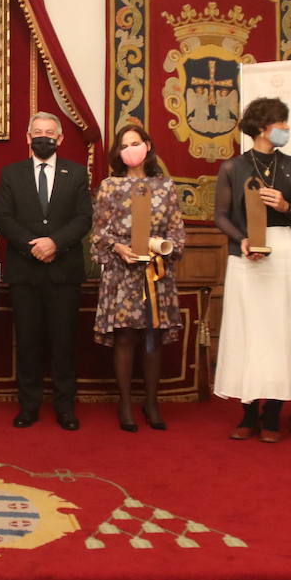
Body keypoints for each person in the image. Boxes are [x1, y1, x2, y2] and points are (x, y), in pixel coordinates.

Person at [212, 97, 291, 442]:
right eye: (283, 124)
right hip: (245, 254)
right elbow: (220, 216)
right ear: (264, 128)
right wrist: (243, 240)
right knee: (249, 330)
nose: (287, 130)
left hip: (284, 253)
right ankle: (248, 412)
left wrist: (286, 203)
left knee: (281, 331)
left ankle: (275, 413)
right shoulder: (233, 167)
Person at [0, 112, 92, 430]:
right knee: (28, 341)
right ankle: (29, 405)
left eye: (50, 133)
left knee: (64, 342)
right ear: (27, 137)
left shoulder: (76, 173)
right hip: (25, 271)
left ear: (60, 139)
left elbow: (83, 218)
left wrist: (54, 243)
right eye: (38, 132)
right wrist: (32, 246)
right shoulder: (11, 173)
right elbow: (3, 217)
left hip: (64, 271)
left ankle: (65, 407)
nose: (44, 137)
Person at [90, 124, 187, 432]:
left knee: (152, 336)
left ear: (147, 145)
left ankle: (152, 402)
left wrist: (162, 248)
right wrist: (117, 247)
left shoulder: (165, 187)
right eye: (124, 145)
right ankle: (125, 403)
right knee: (125, 336)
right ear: (119, 153)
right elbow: (98, 234)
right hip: (122, 273)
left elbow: (177, 232)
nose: (131, 149)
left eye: (136, 142)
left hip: (155, 273)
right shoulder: (109, 186)